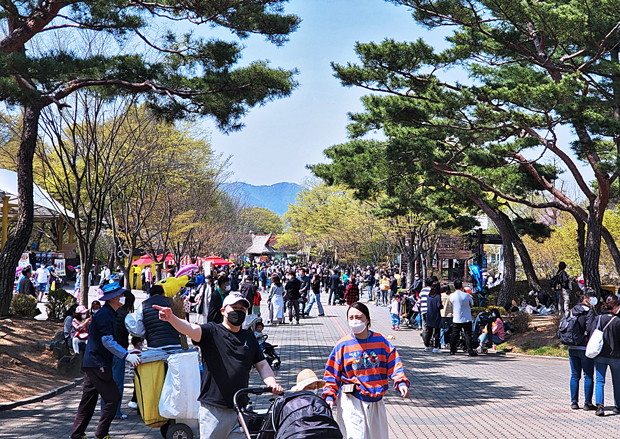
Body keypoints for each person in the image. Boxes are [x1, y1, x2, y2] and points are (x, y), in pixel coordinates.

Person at [152, 292, 283, 439]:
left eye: (242, 309)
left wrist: (272, 383)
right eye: (235, 308)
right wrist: (172, 318)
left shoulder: (249, 337)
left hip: (240, 409)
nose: (239, 312)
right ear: (223, 310)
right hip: (214, 410)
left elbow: (262, 364)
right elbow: (190, 329)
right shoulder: (212, 331)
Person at [323, 302, 409, 439]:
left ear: (367, 319)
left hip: (376, 400)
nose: (354, 321)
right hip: (351, 400)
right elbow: (331, 373)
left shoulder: (381, 341)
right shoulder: (342, 345)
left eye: (359, 317)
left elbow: (394, 362)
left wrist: (401, 382)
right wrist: (329, 395)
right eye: (351, 318)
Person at [70, 283, 141, 439]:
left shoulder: (109, 313)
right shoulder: (105, 314)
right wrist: (126, 355)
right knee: (113, 397)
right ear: (114, 298)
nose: (123, 297)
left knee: (88, 401)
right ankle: (101, 433)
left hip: (94, 362)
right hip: (98, 363)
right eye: (120, 295)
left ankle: (77, 434)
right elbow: (107, 340)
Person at [566, 288, 597, 411]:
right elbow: (590, 329)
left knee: (574, 375)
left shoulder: (572, 310)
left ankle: (574, 402)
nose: (594, 299)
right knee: (588, 376)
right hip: (584, 347)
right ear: (585, 298)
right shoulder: (588, 311)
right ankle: (587, 403)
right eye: (592, 297)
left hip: (571, 346)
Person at [593, 294, 620, 416]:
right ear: (615, 307)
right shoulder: (618, 321)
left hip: (600, 354)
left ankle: (599, 406)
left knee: (599, 380)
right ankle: (617, 405)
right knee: (617, 381)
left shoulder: (599, 318)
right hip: (615, 355)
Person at [111, 290, 135, 419]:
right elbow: (136, 330)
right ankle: (116, 412)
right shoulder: (126, 316)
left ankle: (106, 410)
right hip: (119, 351)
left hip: (104, 352)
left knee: (107, 383)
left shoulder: (108, 312)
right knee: (117, 382)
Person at [450, 279, 477, 356]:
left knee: (454, 334)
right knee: (467, 334)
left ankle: (452, 349)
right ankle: (470, 350)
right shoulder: (466, 295)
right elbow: (472, 304)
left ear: (454, 287)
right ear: (462, 286)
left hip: (456, 318)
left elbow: (452, 304)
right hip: (467, 318)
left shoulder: (452, 296)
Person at [424, 282, 443, 353]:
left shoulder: (428, 296)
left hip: (429, 315)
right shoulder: (438, 296)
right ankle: (436, 347)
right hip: (436, 315)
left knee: (429, 332)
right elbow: (439, 305)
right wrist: (442, 306)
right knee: (437, 332)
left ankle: (426, 346)